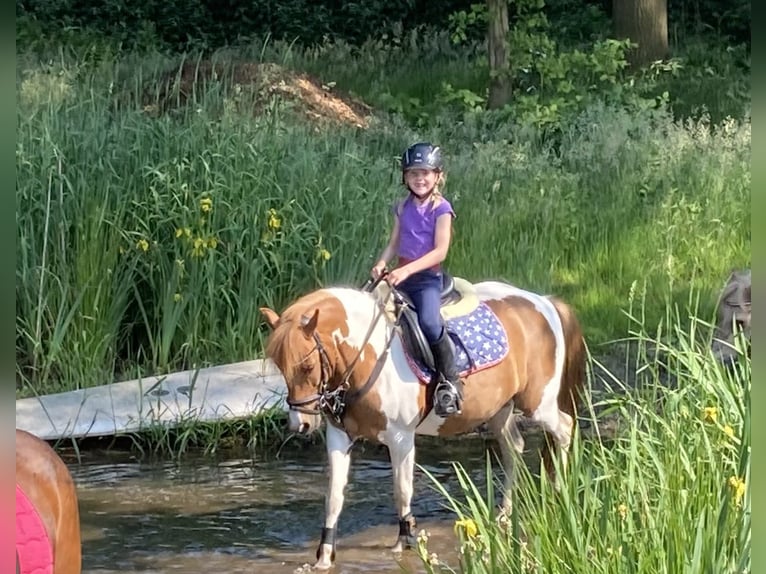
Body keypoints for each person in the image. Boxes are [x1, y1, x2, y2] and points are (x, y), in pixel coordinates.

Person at [371, 142, 462, 416]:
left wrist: (408, 270)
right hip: (400, 275)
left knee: (430, 323)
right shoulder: (402, 207)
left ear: (437, 176)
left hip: (425, 280)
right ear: (405, 178)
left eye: (425, 173)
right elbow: (394, 243)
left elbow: (440, 251)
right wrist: (382, 262)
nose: (419, 179)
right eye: (413, 174)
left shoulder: (442, 209)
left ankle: (450, 383)